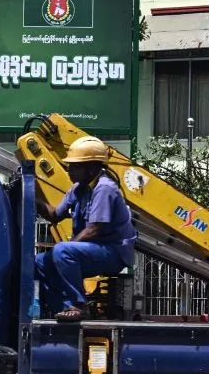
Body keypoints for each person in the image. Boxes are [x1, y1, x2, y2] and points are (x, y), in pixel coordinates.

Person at [35, 136, 137, 321]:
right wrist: (31, 197)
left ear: (92, 168)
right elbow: (55, 215)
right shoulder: (78, 188)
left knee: (62, 252)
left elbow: (94, 229)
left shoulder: (105, 189)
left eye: (75, 166)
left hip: (112, 252)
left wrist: (65, 251)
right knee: (38, 263)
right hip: (91, 250)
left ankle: (79, 305)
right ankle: (64, 310)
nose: (69, 170)